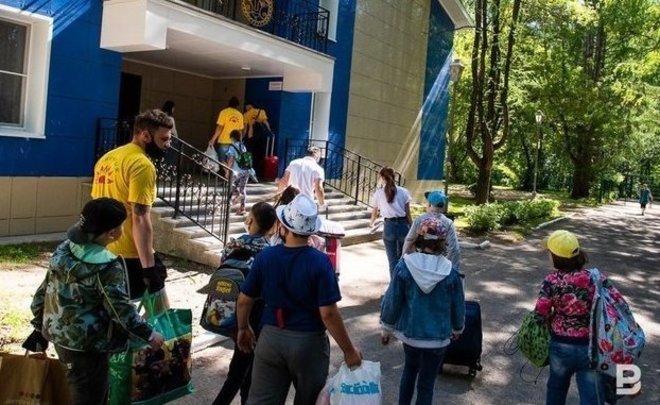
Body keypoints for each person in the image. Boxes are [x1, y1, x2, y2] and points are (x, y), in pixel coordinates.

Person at [24, 198, 164, 405]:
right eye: (121, 226)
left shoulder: (64, 249)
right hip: (89, 347)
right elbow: (120, 311)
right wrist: (149, 334)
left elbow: (43, 292)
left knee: (79, 388)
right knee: (89, 396)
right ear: (112, 233)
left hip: (59, 335)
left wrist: (38, 326)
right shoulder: (107, 267)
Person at [236, 194, 362, 405]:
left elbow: (243, 300)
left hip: (270, 339)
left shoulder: (265, 257)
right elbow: (329, 314)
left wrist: (243, 328)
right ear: (311, 231)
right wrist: (349, 351)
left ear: (283, 227)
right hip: (308, 343)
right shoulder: (320, 262)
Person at [380, 217, 465, 405]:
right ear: (442, 242)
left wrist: (386, 328)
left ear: (419, 239)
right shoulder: (450, 272)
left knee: (409, 371)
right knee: (427, 384)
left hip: (411, 335)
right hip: (438, 339)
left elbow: (393, 300)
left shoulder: (405, 265)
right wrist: (458, 328)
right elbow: (458, 304)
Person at [92, 109, 173, 300]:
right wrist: (149, 269)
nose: (168, 145)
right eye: (163, 139)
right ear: (145, 136)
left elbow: (96, 205)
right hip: (130, 254)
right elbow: (140, 219)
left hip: (103, 249)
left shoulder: (106, 159)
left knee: (116, 308)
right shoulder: (142, 165)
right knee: (155, 310)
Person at [533, 230, 615, 405]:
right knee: (591, 396)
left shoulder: (551, 281)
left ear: (556, 257)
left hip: (560, 345)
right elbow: (611, 306)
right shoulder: (595, 278)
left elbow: (540, 312)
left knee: (556, 389)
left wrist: (548, 319)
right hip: (591, 346)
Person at [213, 202, 278, 405]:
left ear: (250, 220)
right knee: (241, 370)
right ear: (272, 226)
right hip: (255, 314)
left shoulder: (234, 244)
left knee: (242, 366)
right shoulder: (269, 252)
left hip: (229, 309)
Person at [369, 167, 412, 279]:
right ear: (394, 176)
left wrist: (371, 223)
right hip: (403, 226)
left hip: (389, 226)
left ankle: (394, 285)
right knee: (404, 258)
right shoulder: (404, 192)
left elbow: (374, 213)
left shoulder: (378, 193)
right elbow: (408, 213)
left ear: (382, 178)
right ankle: (404, 283)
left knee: (392, 260)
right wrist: (412, 226)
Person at [402, 190, 461, 272]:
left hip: (420, 263)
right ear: (443, 206)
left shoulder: (419, 220)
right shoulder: (448, 223)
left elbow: (409, 240)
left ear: (429, 204)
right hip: (439, 264)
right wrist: (451, 269)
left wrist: (403, 259)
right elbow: (454, 248)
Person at [209, 97, 245, 174]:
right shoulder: (240, 115)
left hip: (224, 141)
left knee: (221, 160)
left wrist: (213, 139)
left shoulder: (224, 112)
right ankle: (229, 175)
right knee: (231, 160)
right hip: (235, 143)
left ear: (229, 104)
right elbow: (240, 131)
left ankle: (228, 174)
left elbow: (220, 127)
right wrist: (240, 143)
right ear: (237, 105)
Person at [243, 104, 272, 179]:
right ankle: (259, 173)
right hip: (261, 138)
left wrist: (242, 138)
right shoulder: (261, 111)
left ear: (249, 106)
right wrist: (269, 132)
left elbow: (245, 129)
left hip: (251, 137)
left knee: (250, 155)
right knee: (260, 155)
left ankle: (250, 173)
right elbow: (266, 123)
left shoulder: (246, 114)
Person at [226, 130, 251, 215]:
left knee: (232, 187)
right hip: (246, 171)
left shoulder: (232, 147)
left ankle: (229, 206)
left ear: (232, 138)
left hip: (236, 172)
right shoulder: (243, 146)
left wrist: (227, 171)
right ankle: (242, 209)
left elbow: (231, 159)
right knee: (243, 189)